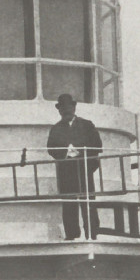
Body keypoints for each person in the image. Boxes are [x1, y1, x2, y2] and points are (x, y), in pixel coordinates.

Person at [46, 93, 102, 240]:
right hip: (66, 170)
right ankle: (72, 234)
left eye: (68, 107)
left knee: (88, 201)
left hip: (84, 168)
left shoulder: (87, 125)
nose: (66, 110)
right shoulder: (56, 129)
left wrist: (79, 150)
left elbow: (97, 144)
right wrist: (66, 151)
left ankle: (92, 233)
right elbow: (51, 148)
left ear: (74, 107)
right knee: (69, 203)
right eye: (62, 108)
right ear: (59, 110)